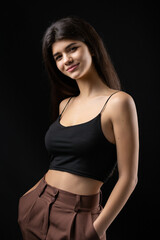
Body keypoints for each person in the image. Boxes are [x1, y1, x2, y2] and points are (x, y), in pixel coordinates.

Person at [18, 16, 139, 240]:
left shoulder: (119, 103)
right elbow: (59, 161)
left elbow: (129, 178)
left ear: (91, 47)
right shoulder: (65, 104)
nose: (67, 59)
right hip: (36, 209)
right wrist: (27, 199)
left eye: (72, 48)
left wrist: (93, 230)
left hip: (80, 218)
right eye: (58, 57)